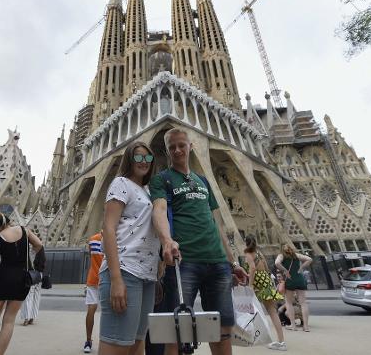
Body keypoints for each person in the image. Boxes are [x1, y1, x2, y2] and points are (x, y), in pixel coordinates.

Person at [149, 128, 248, 355]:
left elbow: (217, 224)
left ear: (190, 146)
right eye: (172, 147)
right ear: (167, 150)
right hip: (185, 262)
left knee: (222, 329)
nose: (177, 150)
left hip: (217, 262)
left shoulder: (202, 181)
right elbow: (160, 209)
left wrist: (233, 263)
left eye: (181, 145)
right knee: (176, 330)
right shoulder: (162, 179)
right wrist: (166, 240)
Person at [98, 141, 160, 355]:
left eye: (148, 158)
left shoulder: (148, 191)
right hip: (125, 270)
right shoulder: (121, 183)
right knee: (117, 346)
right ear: (130, 160)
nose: (144, 162)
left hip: (145, 276)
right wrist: (116, 278)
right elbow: (108, 227)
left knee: (136, 346)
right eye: (139, 157)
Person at [0, 211, 42, 355]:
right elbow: (39, 244)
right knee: (9, 321)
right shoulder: (24, 230)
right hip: (22, 278)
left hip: (3, 278)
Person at [243, 235, 286, 351]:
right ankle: (281, 340)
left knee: (247, 309)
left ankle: (279, 341)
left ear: (245, 243)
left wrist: (250, 285)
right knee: (271, 311)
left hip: (257, 284)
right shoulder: (259, 253)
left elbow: (252, 268)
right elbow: (266, 268)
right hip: (265, 281)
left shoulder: (248, 254)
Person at [275, 244, 312, 332]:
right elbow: (310, 259)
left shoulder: (281, 255)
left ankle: (293, 325)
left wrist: (285, 270)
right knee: (303, 303)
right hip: (300, 279)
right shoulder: (296, 255)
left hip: (290, 279)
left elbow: (277, 263)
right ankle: (306, 326)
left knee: (288, 302)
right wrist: (301, 267)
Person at [83, 231, 103, 352]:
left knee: (91, 309)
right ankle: (107, 342)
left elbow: (91, 255)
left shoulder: (93, 239)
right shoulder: (115, 238)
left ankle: (88, 341)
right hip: (107, 278)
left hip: (93, 277)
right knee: (109, 312)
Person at [20, 245, 44, 326]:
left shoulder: (30, 252)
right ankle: (32, 317)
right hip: (39, 275)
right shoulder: (41, 252)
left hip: (31, 275)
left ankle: (26, 318)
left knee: (28, 296)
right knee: (36, 297)